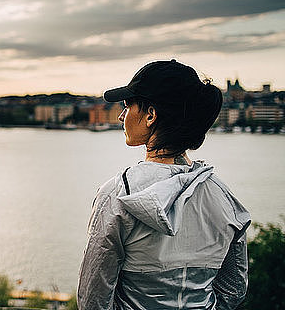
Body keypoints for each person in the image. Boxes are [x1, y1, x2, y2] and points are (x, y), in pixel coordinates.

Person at [77, 60, 250, 310]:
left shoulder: (118, 194)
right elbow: (233, 291)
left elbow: (92, 300)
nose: (121, 115)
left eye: (127, 106)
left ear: (150, 115)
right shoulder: (224, 199)